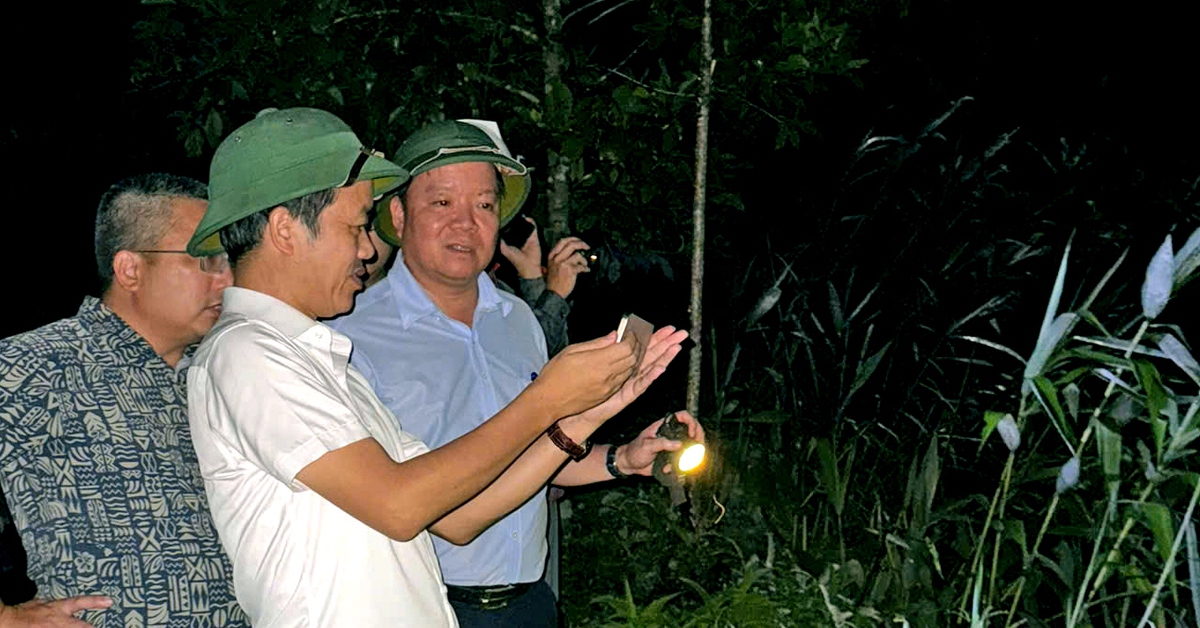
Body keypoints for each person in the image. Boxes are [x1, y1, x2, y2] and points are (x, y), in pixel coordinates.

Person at [184, 107, 688, 627]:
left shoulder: (320, 362)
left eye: (485, 204)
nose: (365, 249)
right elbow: (402, 508)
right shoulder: (249, 354)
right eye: (357, 225)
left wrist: (589, 416)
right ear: (286, 230)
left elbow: (458, 516)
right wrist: (549, 399)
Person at [331, 119, 704, 627]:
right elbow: (431, 513)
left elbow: (539, 453)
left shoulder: (518, 320)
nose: (466, 222)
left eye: (484, 205)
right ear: (398, 212)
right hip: (421, 606)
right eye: (442, 203)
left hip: (530, 603)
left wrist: (621, 459)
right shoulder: (350, 335)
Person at [0, 174, 246, 627]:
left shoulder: (221, 373)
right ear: (131, 269)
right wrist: (9, 619)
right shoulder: (38, 365)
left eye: (228, 260)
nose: (227, 279)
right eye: (207, 260)